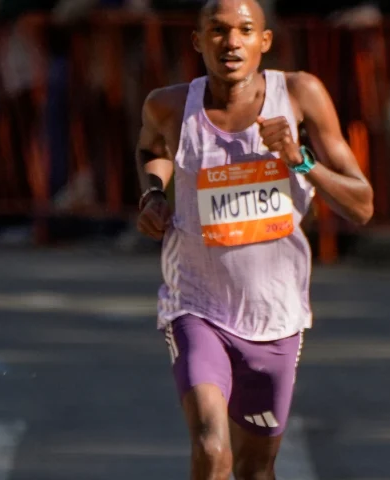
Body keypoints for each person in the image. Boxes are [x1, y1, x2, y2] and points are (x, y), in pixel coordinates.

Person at [133, 0, 373, 478]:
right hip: (196, 305)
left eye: (245, 30)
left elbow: (361, 204)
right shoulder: (169, 104)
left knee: (256, 468)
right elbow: (150, 147)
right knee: (212, 449)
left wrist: (299, 159)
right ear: (198, 41)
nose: (231, 42)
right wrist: (153, 193)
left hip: (275, 315)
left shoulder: (301, 94)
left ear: (265, 41)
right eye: (218, 31)